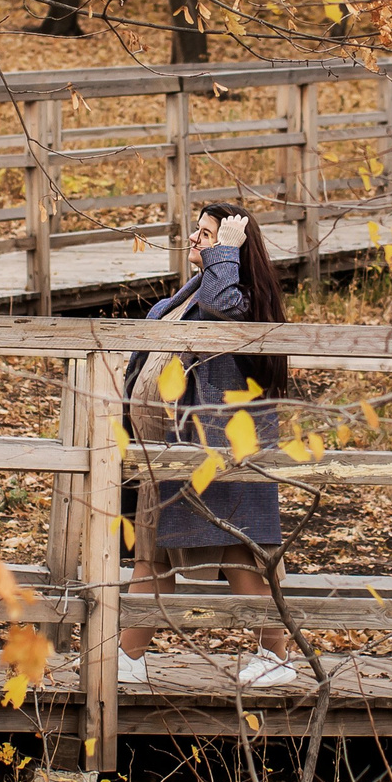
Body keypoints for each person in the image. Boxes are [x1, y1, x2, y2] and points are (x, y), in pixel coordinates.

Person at [116, 202, 298, 690]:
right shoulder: (191, 293)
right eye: (197, 231)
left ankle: (276, 656)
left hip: (217, 446)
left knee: (239, 554)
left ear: (235, 249)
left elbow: (223, 310)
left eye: (208, 234)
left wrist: (226, 253)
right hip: (167, 451)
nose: (196, 239)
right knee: (151, 555)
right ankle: (128, 658)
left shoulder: (239, 298)